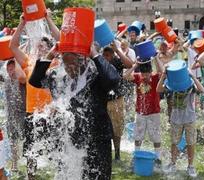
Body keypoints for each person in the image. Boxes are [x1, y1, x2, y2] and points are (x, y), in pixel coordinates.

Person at [29, 43, 120, 179]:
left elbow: (113, 79)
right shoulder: (59, 78)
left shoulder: (95, 75)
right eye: (66, 65)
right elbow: (35, 80)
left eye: (72, 64)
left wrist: (94, 55)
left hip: (97, 140)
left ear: (83, 60)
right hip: (69, 141)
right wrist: (50, 55)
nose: (69, 69)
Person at [9, 13, 59, 179]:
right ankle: (31, 177)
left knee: (55, 149)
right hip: (32, 113)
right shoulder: (29, 61)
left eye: (44, 46)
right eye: (39, 46)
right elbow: (13, 46)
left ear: (50, 48)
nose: (40, 48)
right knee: (31, 151)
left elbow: (62, 40)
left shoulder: (55, 62)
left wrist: (48, 19)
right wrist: (21, 23)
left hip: (51, 113)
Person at [157, 62, 204, 177]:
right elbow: (158, 89)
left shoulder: (191, 86)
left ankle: (190, 166)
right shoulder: (171, 88)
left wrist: (192, 76)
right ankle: (173, 163)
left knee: (191, 143)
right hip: (176, 119)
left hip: (190, 119)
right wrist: (164, 74)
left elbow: (202, 90)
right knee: (174, 142)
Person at [123, 61, 162, 169]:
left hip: (154, 112)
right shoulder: (137, 77)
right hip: (140, 112)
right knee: (138, 135)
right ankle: (136, 155)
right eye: (142, 73)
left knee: (155, 136)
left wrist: (156, 58)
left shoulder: (154, 78)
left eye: (147, 74)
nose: (144, 76)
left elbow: (162, 72)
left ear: (151, 72)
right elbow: (125, 76)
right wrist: (135, 66)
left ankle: (158, 158)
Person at [102, 42, 134, 161]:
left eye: (108, 55)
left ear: (112, 55)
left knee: (117, 128)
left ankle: (117, 154)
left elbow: (130, 64)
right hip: (103, 100)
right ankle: (106, 153)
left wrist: (118, 50)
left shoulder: (117, 61)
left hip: (117, 100)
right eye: (104, 55)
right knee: (104, 128)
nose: (105, 57)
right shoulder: (100, 63)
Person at [3, 60, 26, 172]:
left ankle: (30, 159)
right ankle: (15, 163)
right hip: (10, 116)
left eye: (13, 68)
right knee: (13, 140)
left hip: (22, 114)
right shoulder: (6, 80)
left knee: (26, 138)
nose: (10, 71)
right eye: (9, 69)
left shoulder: (21, 80)